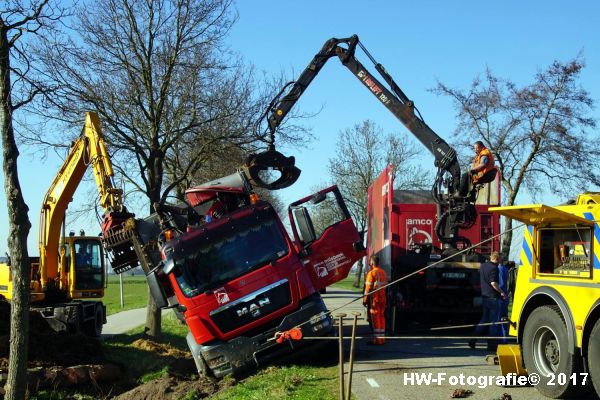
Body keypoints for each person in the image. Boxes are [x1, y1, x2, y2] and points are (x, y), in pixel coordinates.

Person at [469, 251, 506, 351]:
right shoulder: (494, 268)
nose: (499, 263)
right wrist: (501, 292)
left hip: (485, 296)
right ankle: (491, 345)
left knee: (484, 320)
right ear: (497, 259)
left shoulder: (483, 266)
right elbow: (493, 283)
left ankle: (472, 340)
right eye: (499, 261)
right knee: (494, 322)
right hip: (493, 297)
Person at [363, 255, 388, 345]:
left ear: (372, 262)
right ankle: (382, 339)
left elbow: (367, 289)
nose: (369, 263)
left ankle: (377, 340)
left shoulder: (371, 273)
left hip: (375, 299)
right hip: (383, 298)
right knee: (381, 318)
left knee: (375, 319)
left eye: (370, 262)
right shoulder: (383, 272)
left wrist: (365, 300)